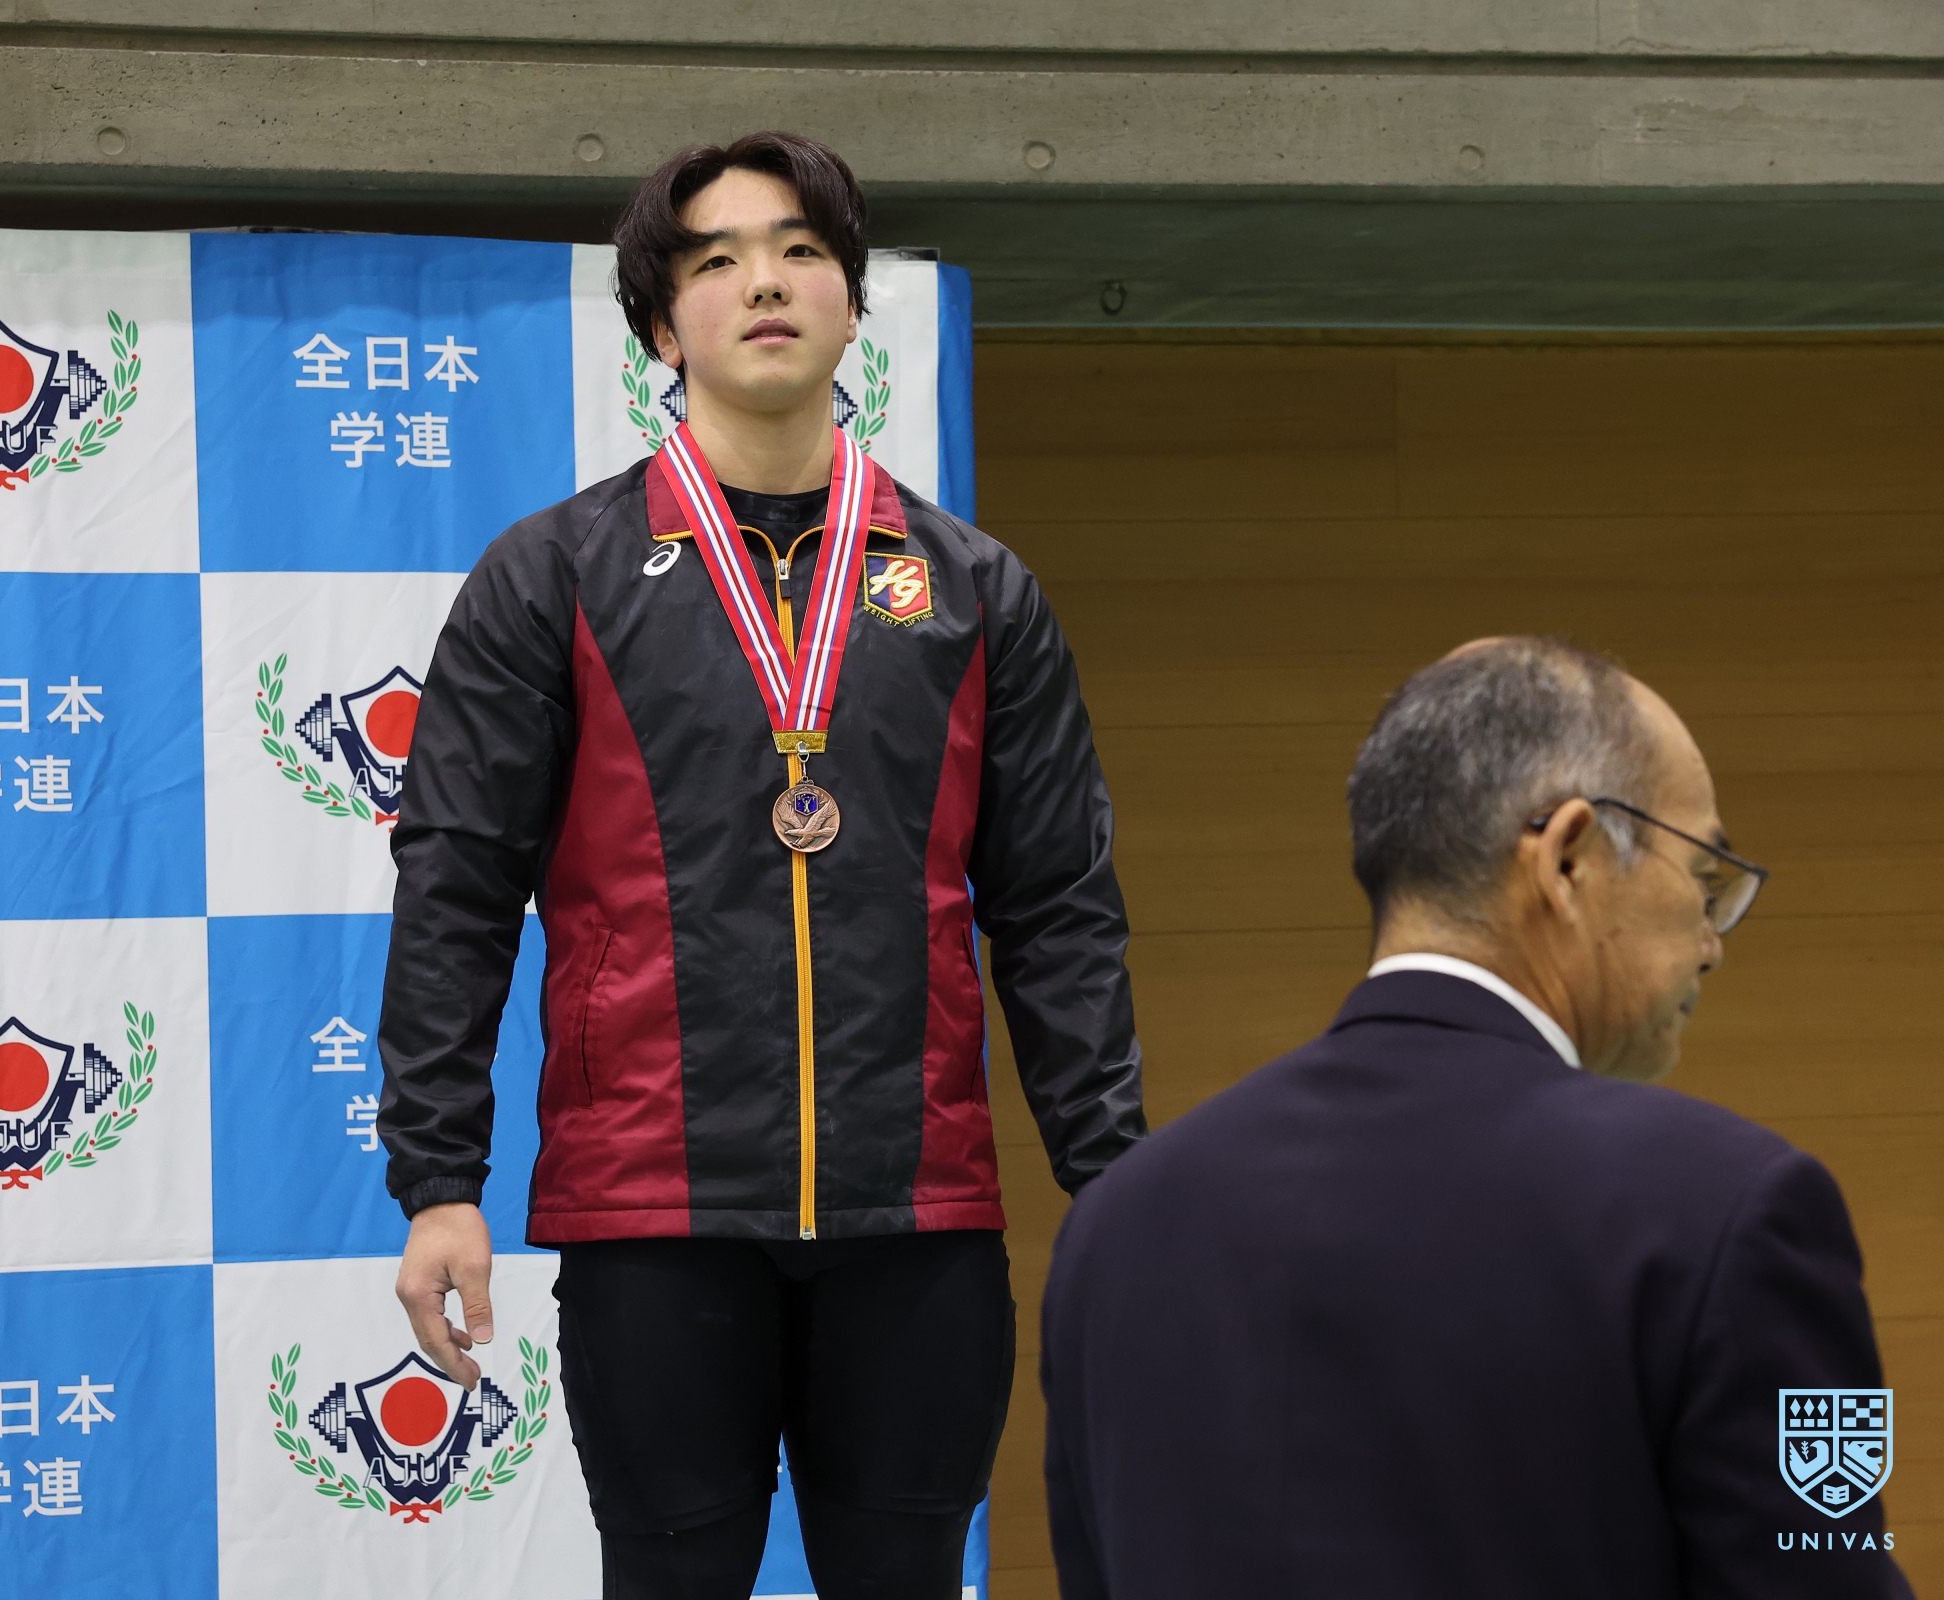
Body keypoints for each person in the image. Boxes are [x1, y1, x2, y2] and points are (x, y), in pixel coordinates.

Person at [378, 131, 1141, 1597]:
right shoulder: (553, 578)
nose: (766, 282)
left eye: (800, 251)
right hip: (653, 1209)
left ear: (853, 306)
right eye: (716, 261)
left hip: (915, 1210)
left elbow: (1057, 909)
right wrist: (438, 1180)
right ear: (663, 329)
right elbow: (457, 891)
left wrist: (1111, 1179)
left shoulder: (976, 591)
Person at [1043, 637, 1910, 1599]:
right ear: (1569, 857)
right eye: (1705, 880)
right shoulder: (1735, 1209)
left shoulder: (1113, 1230)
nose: (1712, 942)